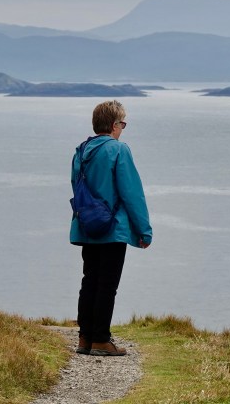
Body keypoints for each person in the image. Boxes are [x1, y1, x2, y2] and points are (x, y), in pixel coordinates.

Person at [70, 100, 152, 356]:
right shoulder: (118, 150)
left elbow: (77, 187)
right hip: (112, 228)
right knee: (107, 284)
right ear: (114, 124)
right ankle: (101, 340)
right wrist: (143, 230)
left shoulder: (81, 151)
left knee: (89, 280)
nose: (123, 128)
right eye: (123, 123)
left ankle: (85, 338)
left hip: (87, 225)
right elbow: (132, 193)